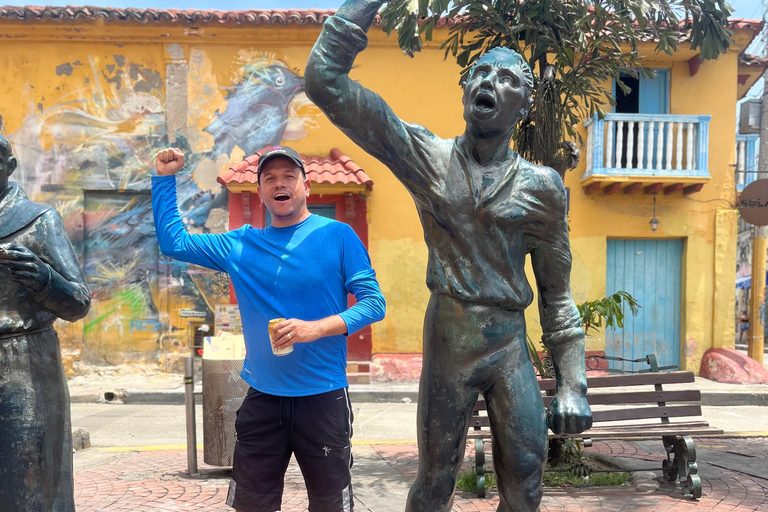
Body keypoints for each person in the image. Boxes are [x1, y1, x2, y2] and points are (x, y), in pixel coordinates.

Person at [305, 3, 593, 511]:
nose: (489, 81)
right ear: (465, 92)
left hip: (508, 341)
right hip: (449, 335)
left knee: (526, 476)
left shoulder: (542, 187)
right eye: (480, 72)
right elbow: (325, 83)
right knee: (437, 477)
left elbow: (557, 294)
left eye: (506, 78)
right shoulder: (426, 157)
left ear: (523, 104)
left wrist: (574, 384)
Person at [152, 145, 386, 512]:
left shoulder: (338, 236)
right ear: (260, 191)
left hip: (323, 398)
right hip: (263, 397)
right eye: (270, 179)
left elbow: (374, 303)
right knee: (252, 505)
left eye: (289, 177)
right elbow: (173, 243)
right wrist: (165, 178)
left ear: (306, 187)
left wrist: (316, 329)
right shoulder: (240, 245)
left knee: (331, 505)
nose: (280, 184)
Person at [0, 134, 91, 512]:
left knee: (29, 479)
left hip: (25, 363)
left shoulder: (38, 221)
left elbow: (78, 303)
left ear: (8, 167)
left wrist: (41, 277)